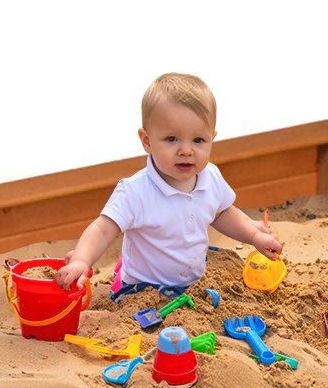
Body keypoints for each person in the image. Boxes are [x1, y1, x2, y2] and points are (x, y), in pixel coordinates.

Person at [55, 72, 283, 296]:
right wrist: (82, 260)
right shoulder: (136, 191)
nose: (186, 150)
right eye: (171, 139)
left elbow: (223, 213)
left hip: (192, 283)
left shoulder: (210, 177)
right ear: (147, 141)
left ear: (211, 138)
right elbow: (103, 229)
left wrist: (253, 235)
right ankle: (122, 272)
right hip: (142, 289)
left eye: (198, 140)